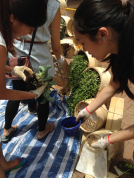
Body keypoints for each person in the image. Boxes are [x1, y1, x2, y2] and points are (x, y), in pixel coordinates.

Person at [74, 0, 134, 150]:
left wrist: (108, 139)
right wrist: (88, 110)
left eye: (83, 43)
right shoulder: (120, 46)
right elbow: (115, 83)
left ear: (102, 34)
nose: (84, 50)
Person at [3, 0, 65, 143]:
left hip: (16, 53)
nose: (31, 31)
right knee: (43, 95)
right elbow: (56, 46)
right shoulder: (53, 6)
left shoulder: (16, 3)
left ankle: (7, 129)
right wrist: (62, 62)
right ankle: (42, 130)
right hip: (40, 56)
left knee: (16, 91)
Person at [0, 0, 48, 176]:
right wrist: (33, 94)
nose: (30, 33)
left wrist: (13, 69)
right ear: (13, 17)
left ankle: (4, 164)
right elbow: (2, 92)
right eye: (30, 28)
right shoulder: (1, 44)